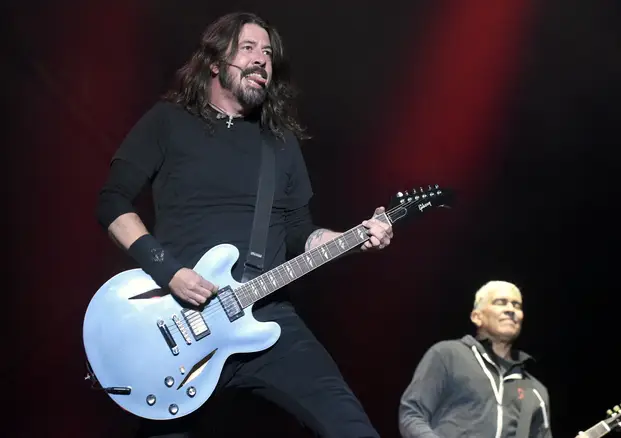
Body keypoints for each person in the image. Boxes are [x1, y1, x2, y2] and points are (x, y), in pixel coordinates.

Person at [95, 11, 392, 438]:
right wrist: (170, 271)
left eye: (268, 53)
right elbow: (112, 203)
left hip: (266, 316)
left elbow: (298, 232)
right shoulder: (167, 122)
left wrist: (351, 238)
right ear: (215, 62)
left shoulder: (280, 142)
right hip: (178, 321)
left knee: (349, 424)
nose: (261, 60)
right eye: (248, 48)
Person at [398, 281, 553, 438]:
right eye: (501, 302)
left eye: (517, 305)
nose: (510, 309)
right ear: (477, 317)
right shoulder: (448, 355)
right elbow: (412, 413)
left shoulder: (535, 390)